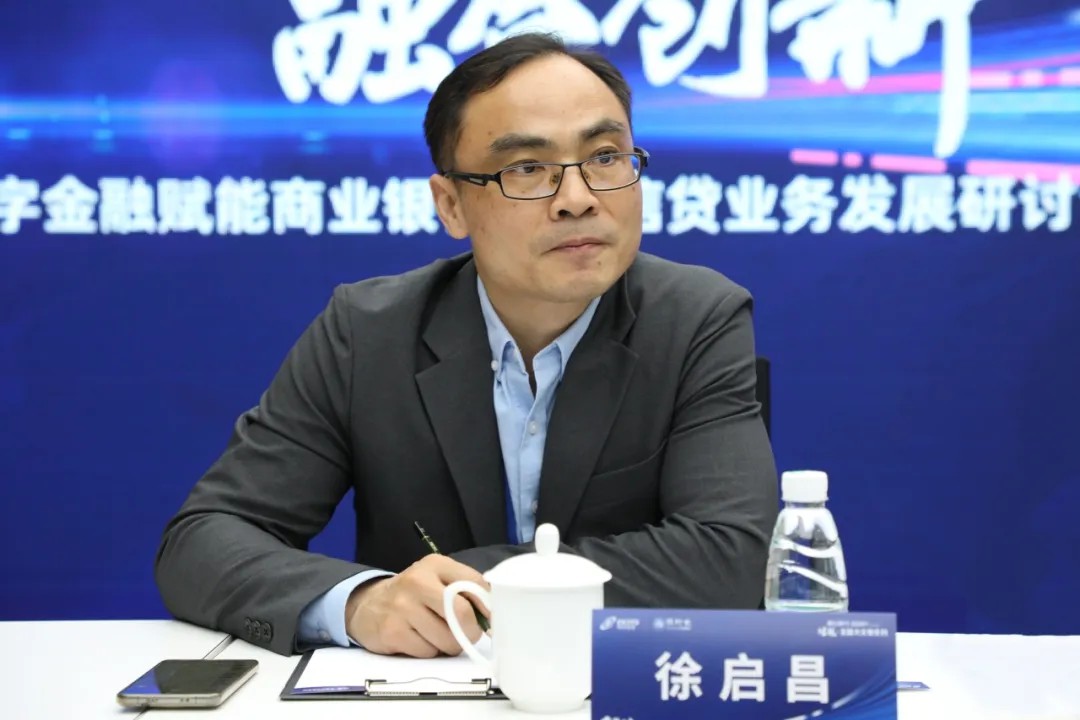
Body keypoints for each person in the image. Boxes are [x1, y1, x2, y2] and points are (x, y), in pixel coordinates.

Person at [155, 31, 778, 659]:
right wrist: (363, 602)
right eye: (526, 169)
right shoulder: (367, 333)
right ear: (450, 205)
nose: (578, 199)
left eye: (605, 156)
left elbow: (730, 558)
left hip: (625, 681)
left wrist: (470, 586)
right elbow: (204, 542)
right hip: (427, 685)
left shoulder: (697, 319)